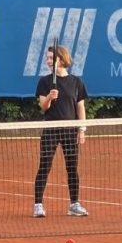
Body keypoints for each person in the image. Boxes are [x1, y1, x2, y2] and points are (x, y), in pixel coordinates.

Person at [33, 44, 88, 218]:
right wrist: (50, 97)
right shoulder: (44, 81)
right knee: (45, 166)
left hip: (70, 130)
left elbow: (80, 107)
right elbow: (43, 106)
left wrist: (82, 129)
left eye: (51, 58)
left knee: (72, 167)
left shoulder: (76, 82)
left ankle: (74, 204)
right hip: (50, 129)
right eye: (47, 58)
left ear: (62, 60)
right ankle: (38, 205)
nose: (48, 61)